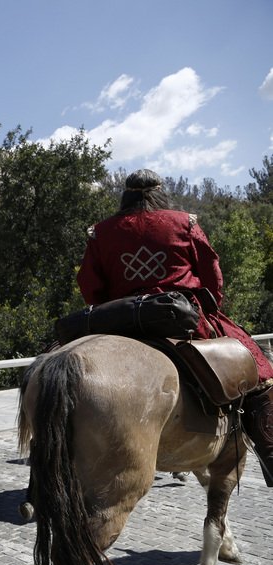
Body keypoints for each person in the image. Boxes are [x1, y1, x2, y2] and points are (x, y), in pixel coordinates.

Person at [77, 168, 273, 486]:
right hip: (181, 318)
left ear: (125, 196)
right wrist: (212, 307)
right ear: (161, 193)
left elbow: (90, 286)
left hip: (120, 319)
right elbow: (212, 275)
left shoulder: (101, 232)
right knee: (260, 368)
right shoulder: (185, 223)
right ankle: (270, 451)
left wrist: (111, 308)